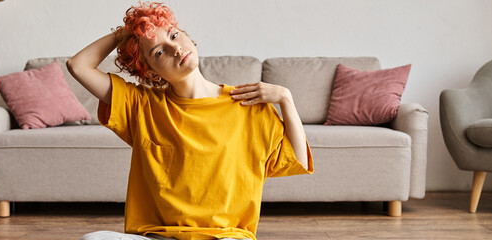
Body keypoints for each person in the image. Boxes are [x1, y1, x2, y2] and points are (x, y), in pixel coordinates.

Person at [69, 2, 313, 240]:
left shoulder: (248, 106)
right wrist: (128, 31)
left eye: (174, 35)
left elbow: (298, 160)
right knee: (93, 238)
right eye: (159, 51)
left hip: (226, 237)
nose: (175, 49)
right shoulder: (141, 105)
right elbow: (77, 66)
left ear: (190, 38)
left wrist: (285, 98)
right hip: (157, 236)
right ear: (151, 72)